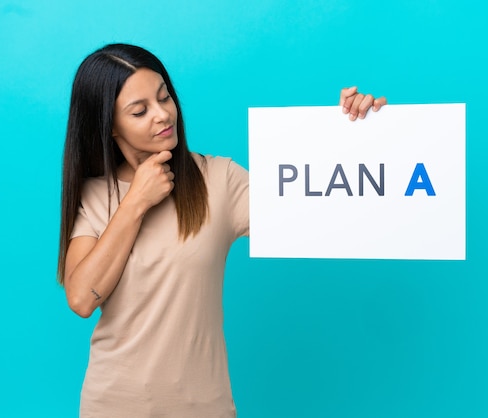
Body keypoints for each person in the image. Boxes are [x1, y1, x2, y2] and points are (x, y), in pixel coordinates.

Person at [57, 43, 387, 418]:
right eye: (140, 110)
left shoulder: (219, 179)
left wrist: (353, 135)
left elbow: (318, 214)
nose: (163, 114)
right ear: (109, 125)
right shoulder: (94, 195)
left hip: (204, 407)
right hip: (112, 405)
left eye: (165, 97)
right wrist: (136, 202)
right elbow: (82, 299)